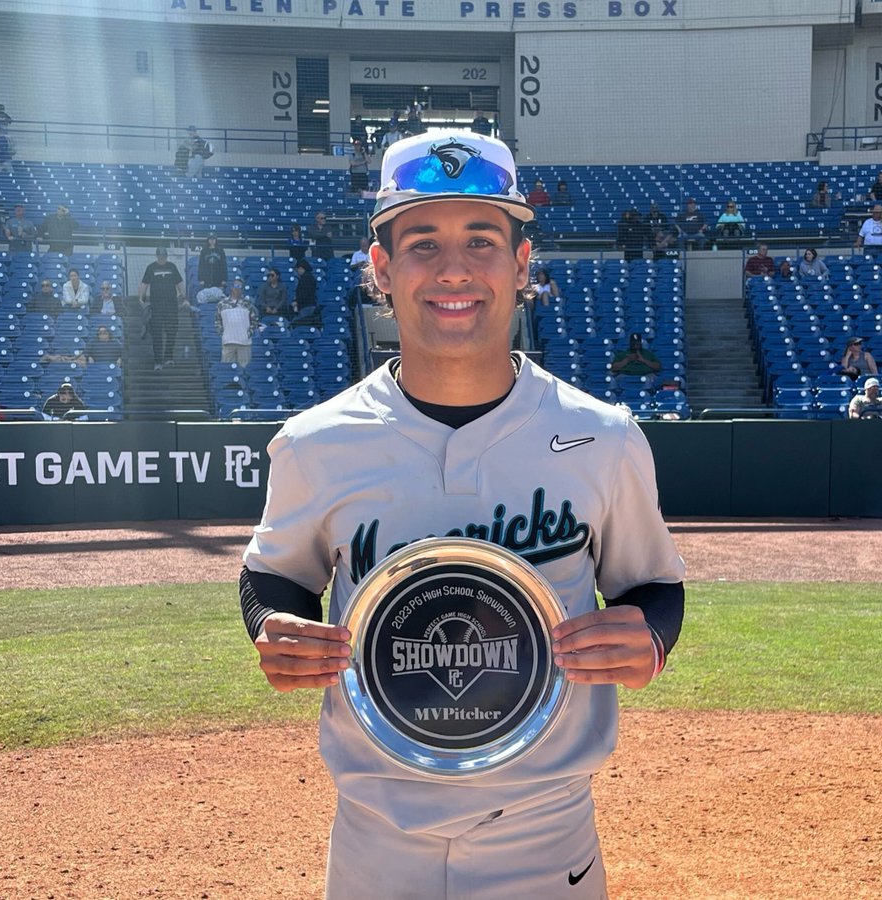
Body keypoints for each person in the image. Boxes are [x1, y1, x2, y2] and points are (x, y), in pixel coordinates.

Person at [239, 130, 684, 900]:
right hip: (376, 835)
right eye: (422, 243)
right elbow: (272, 574)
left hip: (548, 835)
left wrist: (650, 635)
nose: (453, 269)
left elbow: (655, 587)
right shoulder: (317, 442)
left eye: (482, 240)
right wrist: (273, 626)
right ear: (381, 269)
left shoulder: (603, 437)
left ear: (521, 264)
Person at [138, 246, 186, 370]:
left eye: (164, 257)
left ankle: (168, 358)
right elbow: (144, 284)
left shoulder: (172, 267)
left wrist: (184, 297)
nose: (162, 259)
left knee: (171, 332)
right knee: (157, 334)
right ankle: (158, 361)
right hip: (156, 306)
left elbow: (179, 282)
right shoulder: (151, 267)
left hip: (171, 305)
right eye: (160, 257)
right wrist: (141, 298)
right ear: (157, 256)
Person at [215, 278, 259, 367]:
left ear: (242, 289)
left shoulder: (248, 304)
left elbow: (255, 320)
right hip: (228, 343)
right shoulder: (221, 304)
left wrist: (248, 333)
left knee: (244, 370)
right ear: (231, 287)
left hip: (244, 343)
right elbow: (217, 321)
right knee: (227, 371)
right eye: (235, 285)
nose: (237, 288)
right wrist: (222, 333)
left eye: (240, 286)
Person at [291, 257, 322, 328]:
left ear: (301, 268)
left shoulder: (306, 279)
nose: (297, 271)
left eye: (297, 269)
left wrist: (296, 301)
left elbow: (304, 294)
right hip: (309, 305)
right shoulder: (309, 277)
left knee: (301, 324)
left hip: (306, 306)